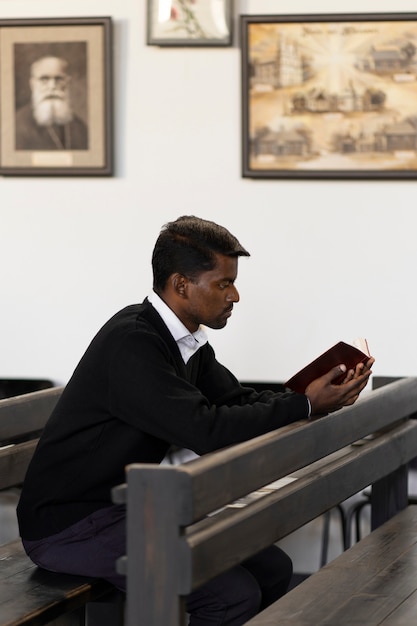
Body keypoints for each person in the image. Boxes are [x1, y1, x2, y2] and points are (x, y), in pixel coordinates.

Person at [17, 216, 374, 625]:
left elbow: (236, 400)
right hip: (69, 526)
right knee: (230, 597)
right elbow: (206, 430)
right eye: (223, 283)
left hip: (125, 512)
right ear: (181, 285)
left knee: (272, 569)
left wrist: (313, 392)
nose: (235, 295)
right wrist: (305, 406)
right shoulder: (133, 342)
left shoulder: (184, 341)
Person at [15, 55, 88, 151]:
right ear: (32, 84)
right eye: (44, 79)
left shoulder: (80, 127)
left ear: (67, 82)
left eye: (58, 79)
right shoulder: (17, 125)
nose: (52, 86)